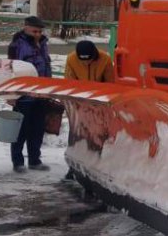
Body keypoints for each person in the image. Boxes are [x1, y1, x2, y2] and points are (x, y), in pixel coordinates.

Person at [62, 40, 115, 179]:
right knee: (77, 135)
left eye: (89, 60)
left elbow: (111, 84)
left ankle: (95, 166)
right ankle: (73, 168)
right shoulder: (71, 59)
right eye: (82, 61)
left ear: (94, 56)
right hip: (80, 104)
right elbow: (69, 82)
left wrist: (102, 104)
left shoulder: (105, 59)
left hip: (98, 104)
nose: (85, 63)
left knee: (97, 136)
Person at [7, 15, 53, 172]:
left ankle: (34, 160)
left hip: (41, 93)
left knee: (37, 129)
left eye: (40, 31)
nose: (38, 34)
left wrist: (49, 88)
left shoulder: (43, 44)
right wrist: (11, 95)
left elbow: (46, 66)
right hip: (23, 94)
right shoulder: (17, 45)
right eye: (35, 31)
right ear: (26, 28)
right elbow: (9, 69)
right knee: (21, 129)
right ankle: (18, 162)